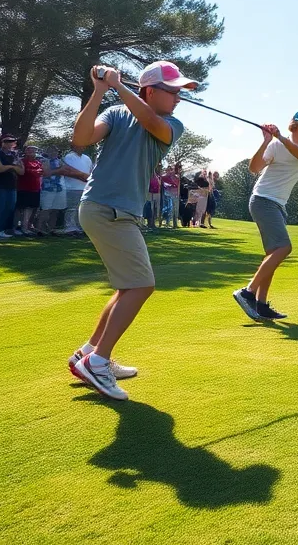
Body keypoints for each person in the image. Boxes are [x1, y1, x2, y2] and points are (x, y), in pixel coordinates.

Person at [68, 60, 193, 401]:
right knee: (141, 285)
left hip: (114, 211)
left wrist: (118, 87)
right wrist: (99, 91)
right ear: (150, 90)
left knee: (128, 286)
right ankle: (98, 362)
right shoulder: (115, 112)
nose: (179, 98)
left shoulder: (171, 123)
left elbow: (152, 122)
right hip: (105, 208)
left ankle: (87, 354)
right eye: (174, 91)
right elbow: (81, 138)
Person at [233, 109, 298, 322]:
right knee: (284, 247)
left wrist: (280, 136)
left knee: (273, 254)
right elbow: (254, 168)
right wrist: (266, 141)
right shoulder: (274, 145)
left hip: (277, 205)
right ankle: (247, 293)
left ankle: (262, 305)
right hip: (263, 200)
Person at [0, 135, 23, 241]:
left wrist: (13, 166)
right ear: (2, 142)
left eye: (12, 141)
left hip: (12, 186)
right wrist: (12, 166)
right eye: (6, 141)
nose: (9, 143)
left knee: (9, 209)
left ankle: (4, 231)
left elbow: (21, 171)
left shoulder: (15, 155)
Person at [61, 143, 92, 235]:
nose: (81, 147)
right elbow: (69, 171)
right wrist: (83, 177)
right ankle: (69, 227)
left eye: (83, 145)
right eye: (79, 145)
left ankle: (80, 227)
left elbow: (90, 171)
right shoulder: (69, 157)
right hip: (72, 187)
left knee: (81, 209)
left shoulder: (87, 158)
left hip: (85, 187)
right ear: (73, 146)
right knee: (71, 209)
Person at [14, 145, 44, 235]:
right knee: (20, 208)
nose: (32, 153)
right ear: (26, 152)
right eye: (30, 151)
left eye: (34, 151)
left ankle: (26, 226)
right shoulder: (22, 161)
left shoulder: (38, 162)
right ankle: (15, 227)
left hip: (35, 188)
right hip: (23, 188)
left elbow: (42, 173)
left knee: (31, 208)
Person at [39, 146, 68, 235]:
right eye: (50, 151)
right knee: (45, 209)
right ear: (47, 152)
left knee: (56, 209)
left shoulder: (61, 161)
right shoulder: (44, 161)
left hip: (59, 188)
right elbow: (46, 173)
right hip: (48, 188)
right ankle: (40, 229)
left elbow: (66, 171)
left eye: (55, 151)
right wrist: (60, 169)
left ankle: (51, 229)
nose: (53, 153)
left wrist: (60, 169)